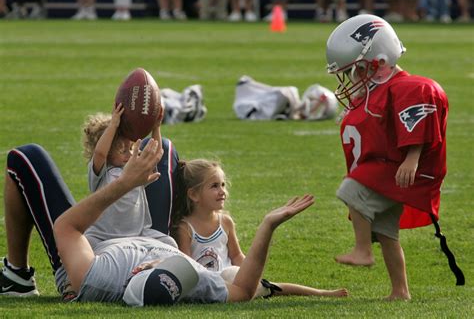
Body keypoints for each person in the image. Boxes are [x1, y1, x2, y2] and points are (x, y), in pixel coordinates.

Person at [1, 137, 316, 304]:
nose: (172, 263)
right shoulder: (190, 276)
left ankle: (17, 276)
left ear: (140, 273)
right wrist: (268, 225)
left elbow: (67, 227)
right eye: (176, 266)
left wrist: (124, 184)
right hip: (151, 233)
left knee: (24, 156)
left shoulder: (101, 276)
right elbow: (244, 290)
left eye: (166, 267)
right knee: (163, 149)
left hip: (88, 248)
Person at [326, 14, 450, 300]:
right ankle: (400, 291)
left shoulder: (412, 88)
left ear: (379, 62)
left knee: (351, 189)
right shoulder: (382, 91)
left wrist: (411, 159)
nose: (353, 79)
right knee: (386, 232)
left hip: (406, 171)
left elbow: (418, 129)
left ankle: (362, 251)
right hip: (392, 170)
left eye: (357, 70)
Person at [166, 159, 348, 298]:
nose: (222, 191)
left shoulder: (226, 222)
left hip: (232, 279)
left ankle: (321, 293)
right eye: (214, 186)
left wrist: (249, 273)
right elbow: (187, 264)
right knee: (265, 287)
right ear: (194, 194)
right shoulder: (185, 227)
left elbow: (236, 255)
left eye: (222, 184)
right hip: (208, 284)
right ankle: (275, 290)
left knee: (257, 281)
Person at [81, 104, 174, 248]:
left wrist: (156, 127)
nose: (130, 154)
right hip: (103, 236)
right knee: (85, 245)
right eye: (122, 150)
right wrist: (113, 125)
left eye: (130, 148)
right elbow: (100, 153)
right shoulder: (101, 173)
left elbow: (155, 155)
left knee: (169, 243)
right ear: (108, 151)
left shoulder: (134, 169)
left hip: (137, 235)